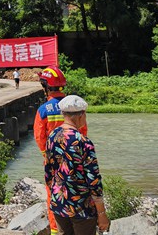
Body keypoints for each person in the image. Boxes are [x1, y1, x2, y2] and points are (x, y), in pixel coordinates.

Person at [44, 95, 109, 235]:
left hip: (59, 203)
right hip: (82, 208)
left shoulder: (52, 136)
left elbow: (48, 173)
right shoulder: (83, 142)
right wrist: (102, 213)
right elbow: (94, 181)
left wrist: (57, 194)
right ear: (81, 115)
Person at [35, 66, 87, 235]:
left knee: (54, 194)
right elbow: (83, 133)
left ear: (46, 86)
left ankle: (56, 230)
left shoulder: (44, 110)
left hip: (53, 161)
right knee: (79, 191)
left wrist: (46, 155)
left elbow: (39, 136)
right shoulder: (73, 107)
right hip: (76, 158)